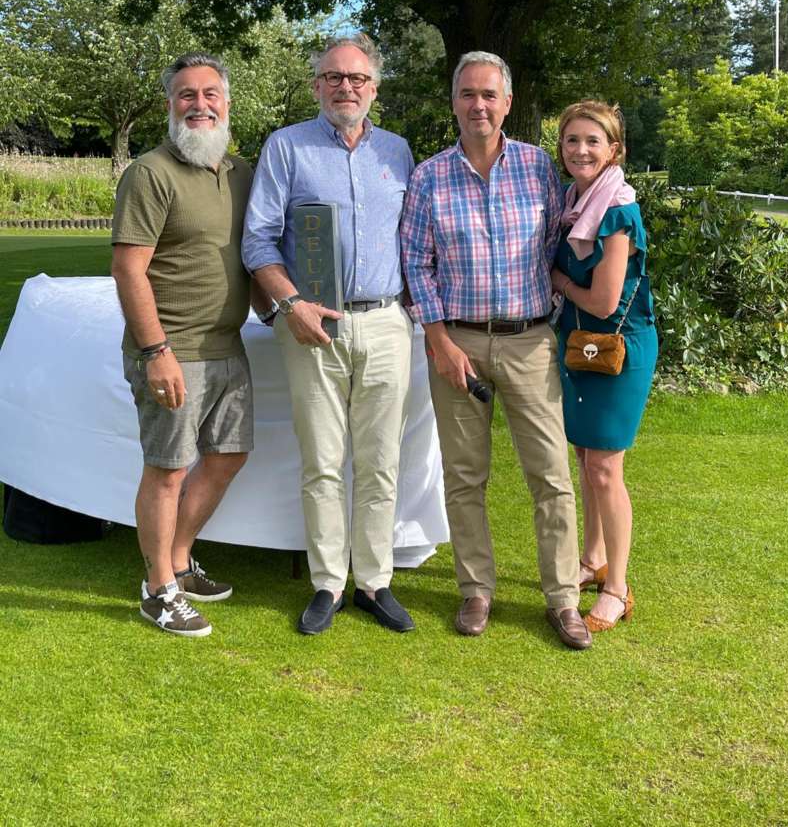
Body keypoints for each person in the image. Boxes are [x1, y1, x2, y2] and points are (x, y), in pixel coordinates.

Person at [400, 51, 591, 649]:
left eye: (489, 95)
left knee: (551, 475)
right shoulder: (429, 176)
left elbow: (564, 240)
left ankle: (563, 599)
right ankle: (476, 589)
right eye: (467, 94)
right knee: (464, 476)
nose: (478, 105)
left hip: (530, 341)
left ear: (507, 103)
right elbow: (416, 264)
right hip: (456, 342)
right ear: (453, 101)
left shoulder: (538, 168)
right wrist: (437, 339)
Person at [242, 33, 416, 635]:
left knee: (381, 462)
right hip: (312, 323)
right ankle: (327, 583)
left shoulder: (397, 151)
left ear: (374, 89)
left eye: (358, 78)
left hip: (386, 322)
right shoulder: (286, 147)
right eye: (334, 77)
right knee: (322, 461)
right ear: (317, 85)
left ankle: (374, 582)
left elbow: (414, 236)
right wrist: (290, 305)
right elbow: (258, 239)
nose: (347, 87)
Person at [111, 52, 261, 637]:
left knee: (227, 456)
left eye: (209, 94)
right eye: (186, 95)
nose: (199, 105)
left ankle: (177, 561)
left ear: (227, 102)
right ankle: (158, 591)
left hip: (228, 346)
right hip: (172, 350)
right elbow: (129, 269)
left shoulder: (242, 172)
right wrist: (156, 351)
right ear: (170, 104)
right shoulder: (149, 173)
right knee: (168, 469)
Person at [550, 100, 658, 632]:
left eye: (593, 141)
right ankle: (592, 559)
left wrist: (559, 282)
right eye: (572, 140)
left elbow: (604, 299)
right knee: (586, 456)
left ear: (614, 150)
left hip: (619, 348)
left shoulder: (616, 211)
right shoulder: (571, 202)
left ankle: (617, 586)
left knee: (605, 467)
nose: (581, 150)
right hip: (579, 345)